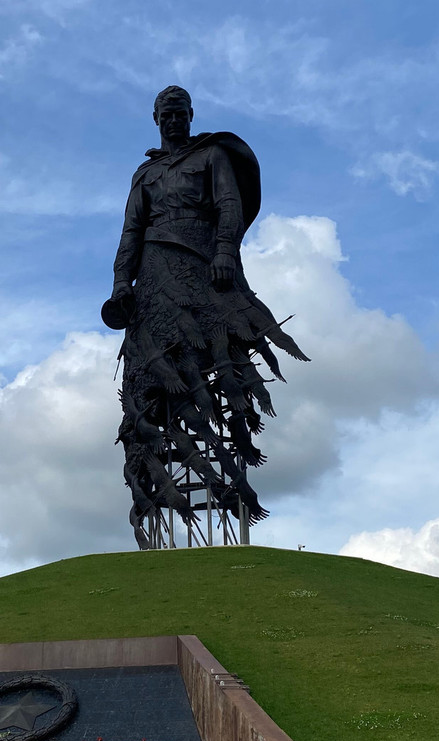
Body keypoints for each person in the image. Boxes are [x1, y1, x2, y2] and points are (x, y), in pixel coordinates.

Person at [105, 86, 308, 549]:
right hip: (155, 275)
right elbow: (131, 231)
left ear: (190, 115)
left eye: (180, 113)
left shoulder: (212, 154)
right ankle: (158, 503)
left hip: (205, 267)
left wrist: (223, 252)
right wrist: (121, 285)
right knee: (154, 378)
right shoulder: (145, 173)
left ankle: (231, 481)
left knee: (217, 358)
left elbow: (229, 207)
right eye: (166, 113)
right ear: (155, 117)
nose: (173, 120)